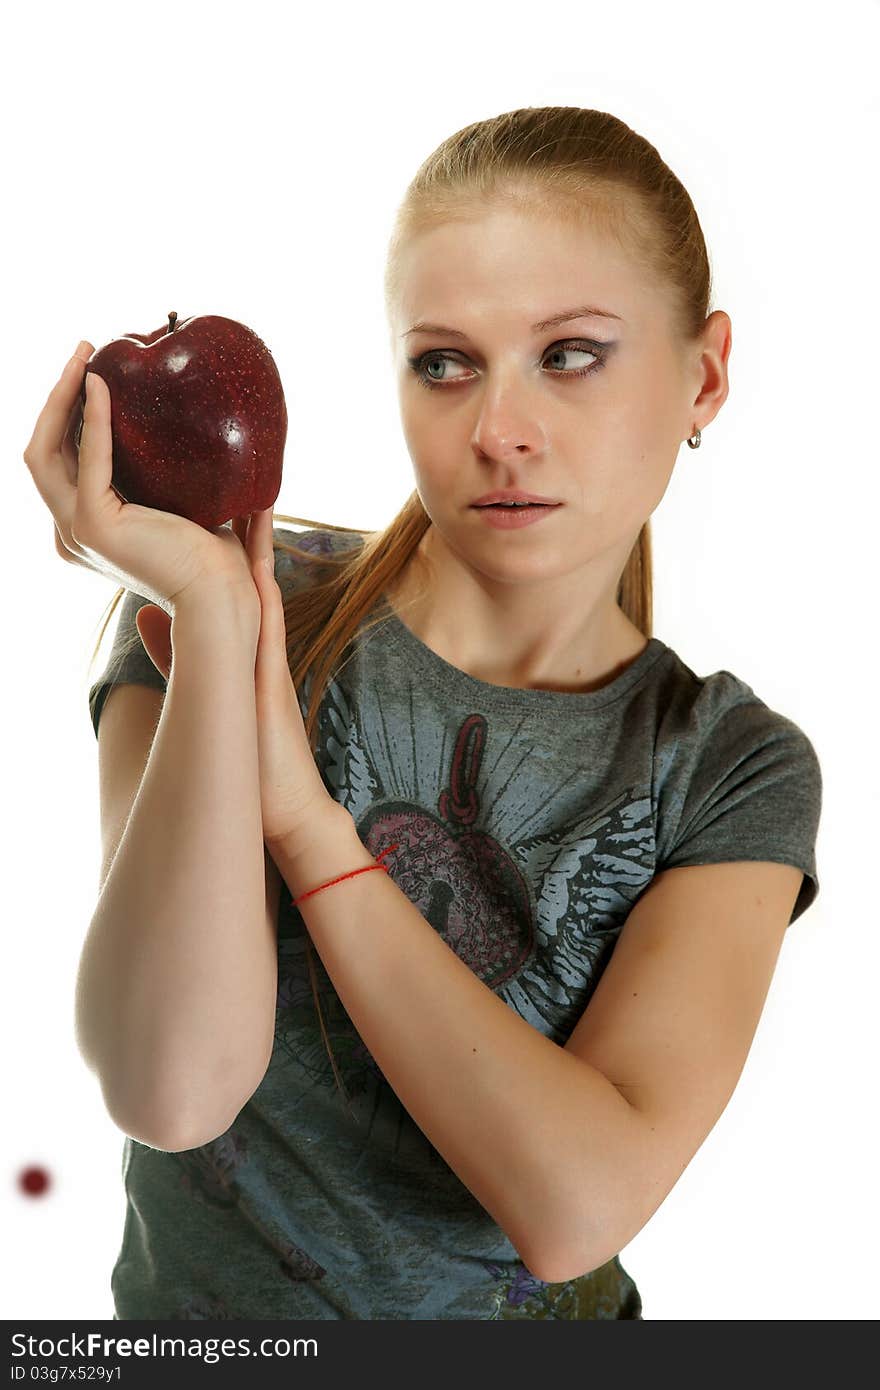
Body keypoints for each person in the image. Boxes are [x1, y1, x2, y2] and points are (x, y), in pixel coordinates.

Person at [24, 106, 821, 1321]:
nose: (498, 430)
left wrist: (305, 823)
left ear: (703, 373)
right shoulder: (238, 610)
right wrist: (209, 619)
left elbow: (571, 1205)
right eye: (443, 362)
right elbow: (171, 1088)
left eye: (569, 354)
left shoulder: (725, 767)